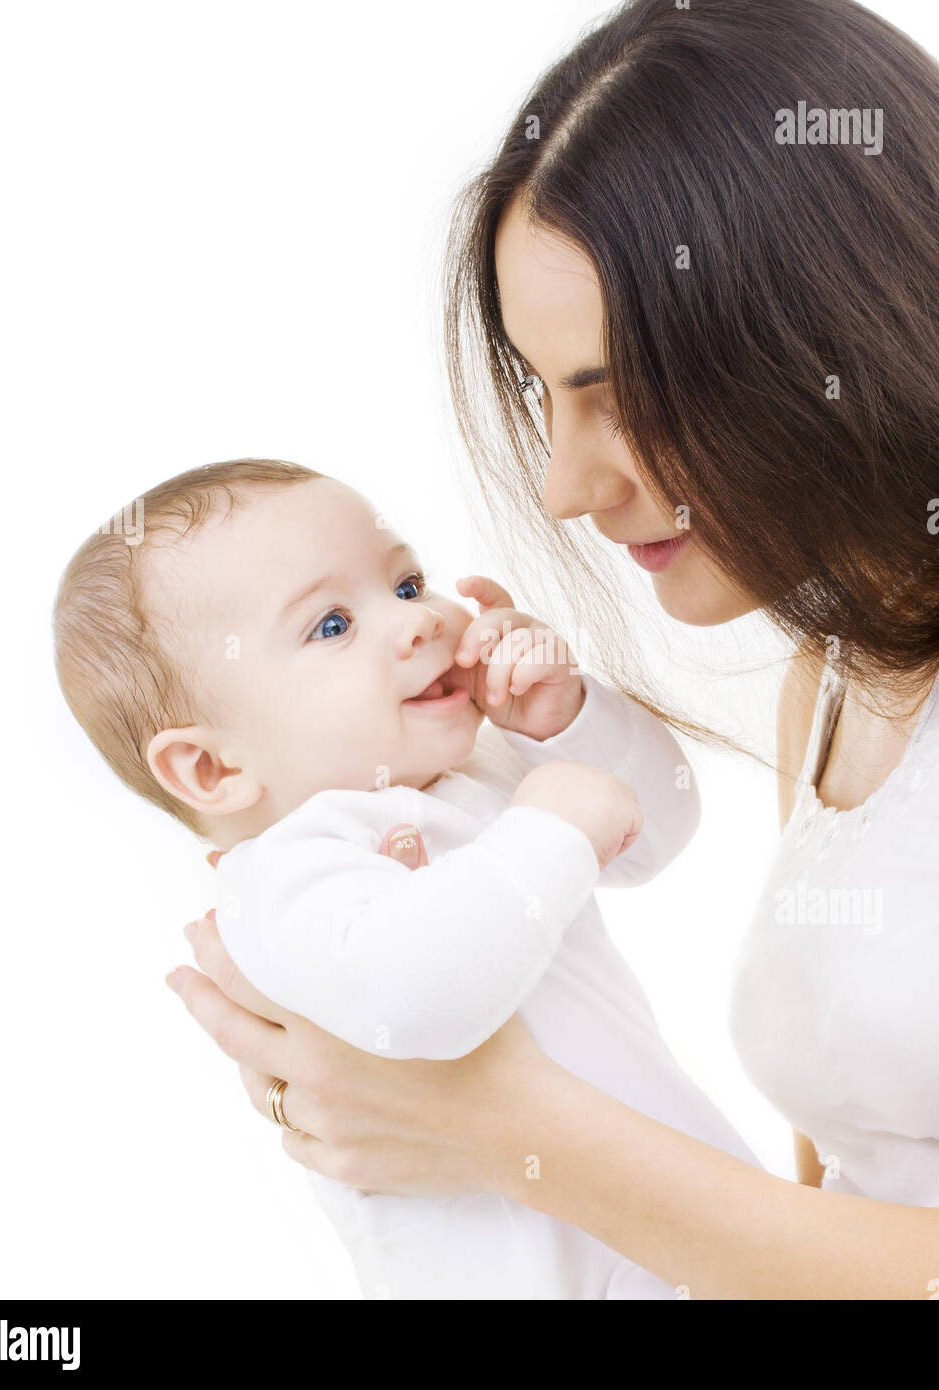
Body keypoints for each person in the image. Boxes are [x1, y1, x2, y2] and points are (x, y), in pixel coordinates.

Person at [167, 0, 939, 1297]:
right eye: (542, 392)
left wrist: (501, 1129)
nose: (567, 485)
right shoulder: (835, 688)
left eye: (616, 388)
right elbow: (830, 1242)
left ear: (826, 336)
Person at [53, 459, 759, 1298]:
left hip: (702, 1246)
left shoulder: (478, 777)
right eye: (331, 625)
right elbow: (418, 999)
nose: (417, 622)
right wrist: (556, 822)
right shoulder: (282, 877)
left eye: (407, 581)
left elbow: (652, 833)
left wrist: (565, 718)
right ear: (211, 767)